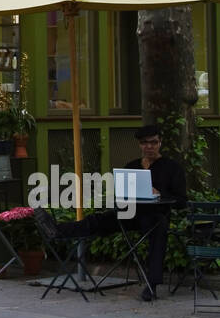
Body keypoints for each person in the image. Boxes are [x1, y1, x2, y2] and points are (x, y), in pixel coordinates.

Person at [34, 124, 186, 301]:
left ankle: (151, 285)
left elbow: (182, 201)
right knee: (98, 219)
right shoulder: (132, 166)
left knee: (158, 230)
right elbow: (121, 195)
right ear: (139, 145)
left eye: (153, 142)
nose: (149, 147)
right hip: (129, 213)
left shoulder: (172, 168)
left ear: (160, 143)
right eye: (145, 143)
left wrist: (160, 194)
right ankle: (57, 230)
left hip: (156, 215)